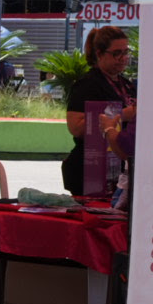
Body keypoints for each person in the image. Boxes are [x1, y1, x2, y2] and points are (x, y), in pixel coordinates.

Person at [62, 26, 135, 196]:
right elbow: (76, 127)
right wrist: (122, 114)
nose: (123, 58)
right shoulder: (87, 84)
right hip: (89, 168)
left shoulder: (127, 85)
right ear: (99, 53)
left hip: (119, 165)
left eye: (126, 52)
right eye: (117, 53)